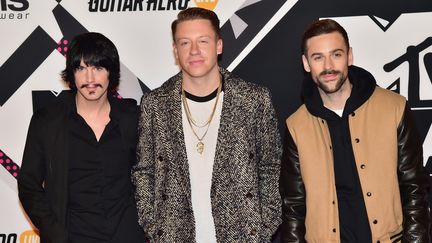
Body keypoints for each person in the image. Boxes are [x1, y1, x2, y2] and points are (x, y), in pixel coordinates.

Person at [132, 7, 282, 243]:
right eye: (184, 43)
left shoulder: (253, 99)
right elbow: (144, 171)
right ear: (175, 50)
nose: (194, 51)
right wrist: (155, 227)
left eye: (203, 41)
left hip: (242, 236)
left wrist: (262, 228)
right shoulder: (155, 104)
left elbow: (271, 167)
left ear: (218, 45)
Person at [280, 19, 430, 243]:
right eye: (318, 57)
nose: (328, 66)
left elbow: (414, 188)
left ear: (349, 56)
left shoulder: (394, 108)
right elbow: (293, 206)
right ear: (306, 63)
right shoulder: (296, 125)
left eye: (336, 54)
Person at [18, 32, 146, 243]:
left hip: (127, 235)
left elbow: (154, 177)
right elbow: (28, 184)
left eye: (98, 68)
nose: (89, 79)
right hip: (72, 237)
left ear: (110, 73)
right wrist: (53, 230)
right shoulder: (48, 121)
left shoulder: (134, 118)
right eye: (81, 68)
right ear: (72, 74)